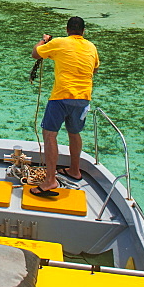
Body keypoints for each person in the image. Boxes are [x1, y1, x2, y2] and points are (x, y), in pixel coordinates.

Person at [28, 16, 99, 197]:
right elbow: (95, 69)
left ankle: (50, 180)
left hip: (61, 96)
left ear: (67, 30)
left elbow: (35, 53)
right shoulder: (91, 47)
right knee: (74, 133)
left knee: (50, 134)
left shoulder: (59, 42)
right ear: (83, 32)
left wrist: (44, 40)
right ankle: (75, 170)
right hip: (83, 98)